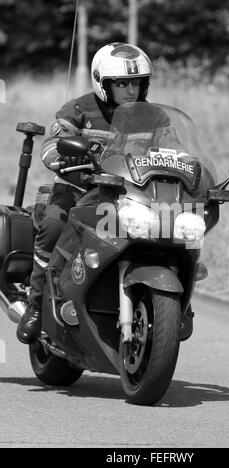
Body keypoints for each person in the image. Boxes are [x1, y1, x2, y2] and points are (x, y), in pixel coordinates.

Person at [17, 42, 153, 344]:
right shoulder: (78, 109)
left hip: (130, 196)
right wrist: (59, 154)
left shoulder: (153, 118)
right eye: (122, 83)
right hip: (78, 190)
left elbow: (174, 150)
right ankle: (36, 307)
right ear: (104, 84)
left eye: (137, 82)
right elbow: (55, 141)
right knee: (53, 226)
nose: (131, 90)